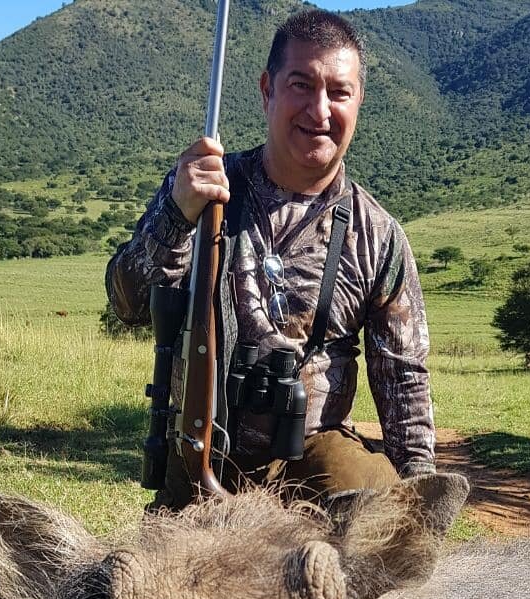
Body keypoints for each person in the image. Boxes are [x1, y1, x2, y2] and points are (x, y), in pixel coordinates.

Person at [106, 9, 435, 508]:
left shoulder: (379, 235)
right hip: (204, 450)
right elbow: (125, 304)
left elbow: (404, 379)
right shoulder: (200, 188)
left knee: (369, 505)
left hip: (313, 455)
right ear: (267, 90)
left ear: (359, 100)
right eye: (301, 85)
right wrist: (175, 216)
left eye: (339, 92)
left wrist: (422, 504)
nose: (319, 110)